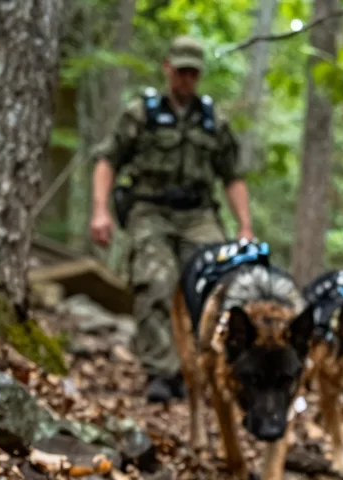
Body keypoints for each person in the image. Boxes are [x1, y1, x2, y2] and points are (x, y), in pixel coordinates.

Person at [89, 36, 254, 403]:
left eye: (192, 72)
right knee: (156, 280)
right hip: (151, 209)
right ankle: (162, 372)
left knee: (217, 283)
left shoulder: (214, 120)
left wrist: (245, 227)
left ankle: (201, 366)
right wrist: (100, 210)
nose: (186, 79)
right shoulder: (141, 112)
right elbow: (108, 160)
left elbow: (233, 176)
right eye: (180, 71)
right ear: (167, 68)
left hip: (198, 214)